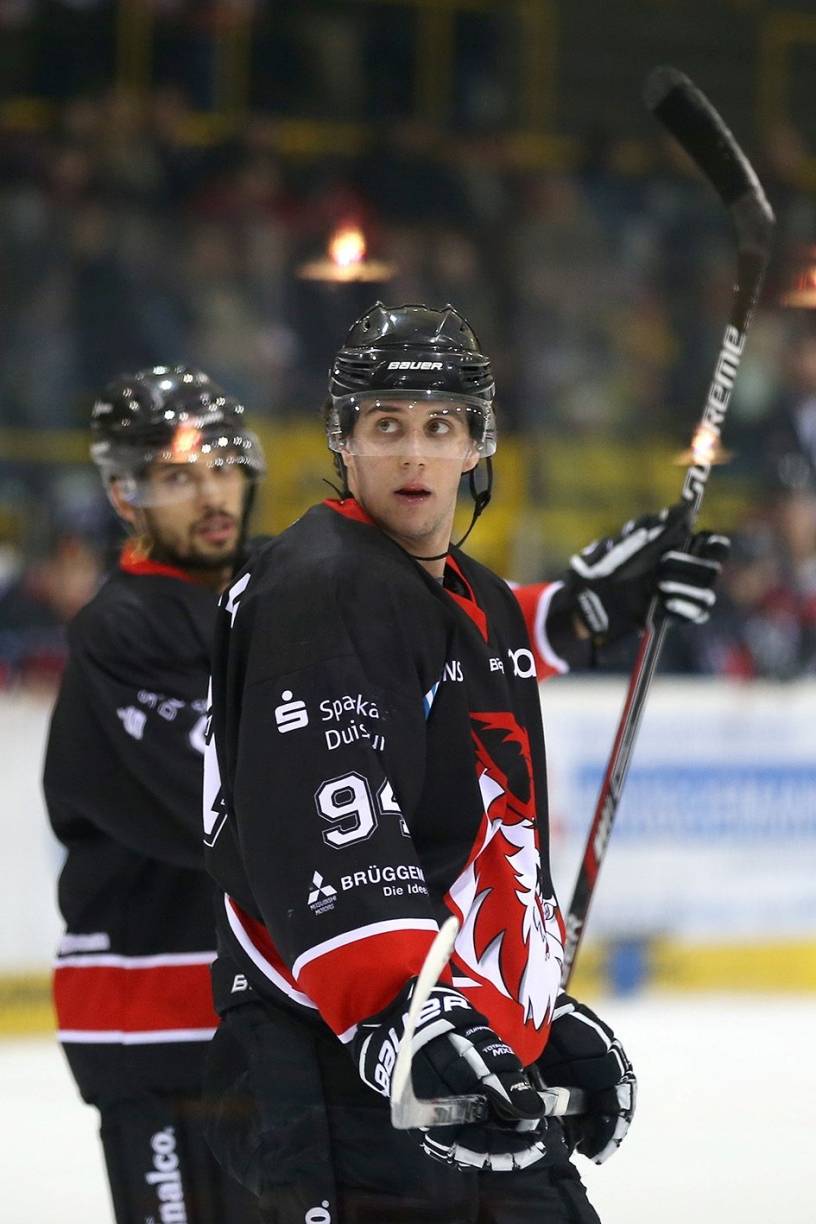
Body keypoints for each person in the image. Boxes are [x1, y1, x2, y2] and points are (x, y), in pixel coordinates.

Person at [201, 303, 728, 1223]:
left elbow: (484, 837)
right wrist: (398, 1012)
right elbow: (329, 826)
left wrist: (528, 1014)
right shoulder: (323, 584)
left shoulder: (467, 596)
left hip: (447, 1038)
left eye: (439, 425)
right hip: (334, 1051)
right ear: (344, 441)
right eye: (386, 426)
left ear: (477, 443)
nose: (413, 455)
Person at [43, 366, 266, 1224]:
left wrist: (579, 610)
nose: (210, 494)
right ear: (124, 496)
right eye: (177, 477)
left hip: (252, 1013)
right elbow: (211, 802)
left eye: (220, 465)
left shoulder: (273, 591)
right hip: (150, 1015)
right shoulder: (122, 627)